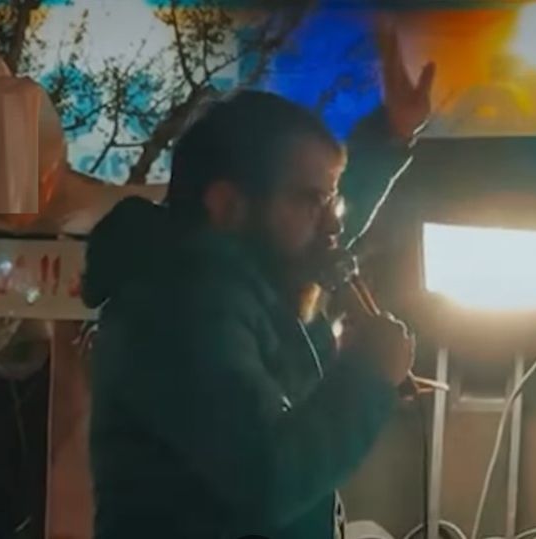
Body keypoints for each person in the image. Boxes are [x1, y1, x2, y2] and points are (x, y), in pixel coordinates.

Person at [81, 28, 434, 539]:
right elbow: (266, 480)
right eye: (311, 200)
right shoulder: (179, 311)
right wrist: (367, 376)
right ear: (228, 206)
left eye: (331, 201)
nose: (332, 224)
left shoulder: (242, 276)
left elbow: (314, 231)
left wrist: (389, 134)